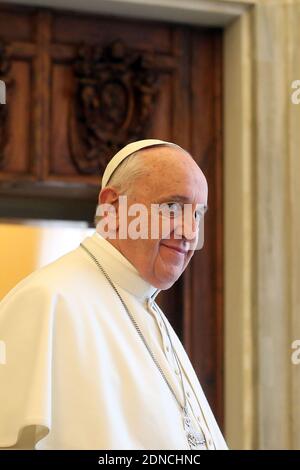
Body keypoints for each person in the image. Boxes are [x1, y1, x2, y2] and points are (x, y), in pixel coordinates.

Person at [0, 139, 227, 450]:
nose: (189, 232)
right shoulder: (48, 302)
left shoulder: (149, 312)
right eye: (173, 207)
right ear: (112, 207)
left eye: (198, 214)